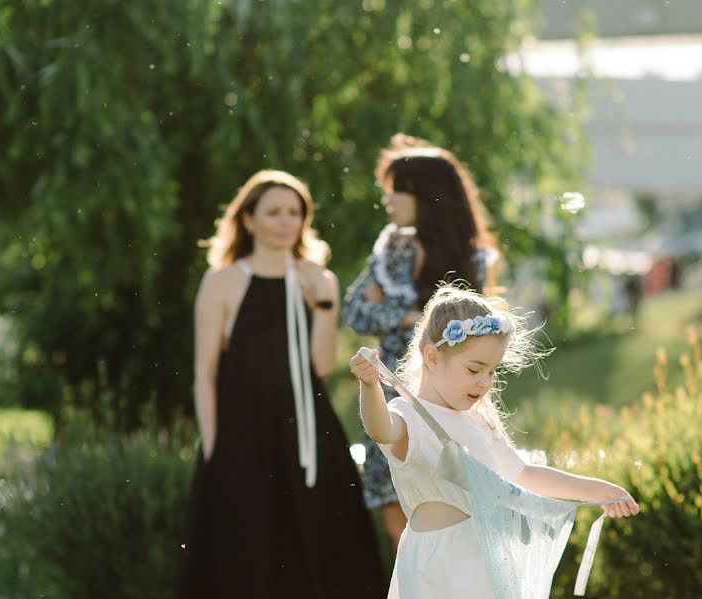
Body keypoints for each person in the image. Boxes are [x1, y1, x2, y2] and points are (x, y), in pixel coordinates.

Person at [348, 284, 639, 598]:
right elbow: (380, 430)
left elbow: (525, 475)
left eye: (491, 371)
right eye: (474, 369)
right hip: (437, 569)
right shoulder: (409, 416)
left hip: (483, 563)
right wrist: (370, 387)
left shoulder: (478, 421)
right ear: (433, 357)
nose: (484, 383)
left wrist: (597, 490)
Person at [175, 170, 386, 598]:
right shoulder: (222, 282)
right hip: (241, 435)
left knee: (319, 546)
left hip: (308, 433)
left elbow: (322, 364)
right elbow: (204, 372)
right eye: (273, 212)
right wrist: (215, 448)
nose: (285, 221)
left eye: (295, 212)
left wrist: (322, 303)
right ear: (249, 219)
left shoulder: (318, 280)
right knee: (244, 552)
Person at [342, 133, 500, 551]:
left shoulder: (473, 258)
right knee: (401, 527)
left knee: (451, 518)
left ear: (424, 195)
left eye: (397, 192)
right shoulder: (390, 250)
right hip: (392, 392)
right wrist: (409, 316)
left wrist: (399, 314)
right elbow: (354, 310)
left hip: (450, 399)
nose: (387, 202)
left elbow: (476, 336)